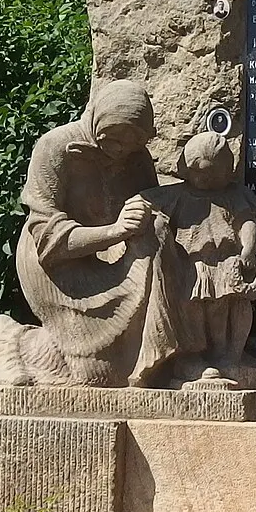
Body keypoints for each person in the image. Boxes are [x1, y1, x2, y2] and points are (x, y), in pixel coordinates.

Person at [13, 80, 196, 387]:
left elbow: (150, 207)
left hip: (108, 254)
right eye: (113, 141)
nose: (120, 152)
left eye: (131, 145)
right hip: (58, 267)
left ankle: (161, 359)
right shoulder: (56, 148)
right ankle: (12, 344)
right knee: (97, 375)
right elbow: (47, 241)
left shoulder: (137, 159)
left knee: (160, 233)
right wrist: (116, 230)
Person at [143, 133, 256, 383]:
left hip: (225, 263)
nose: (206, 179)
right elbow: (143, 204)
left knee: (220, 309)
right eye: (200, 172)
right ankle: (192, 357)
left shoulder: (233, 195)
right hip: (190, 266)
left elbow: (247, 223)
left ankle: (223, 355)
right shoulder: (176, 195)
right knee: (192, 311)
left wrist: (248, 250)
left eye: (213, 173)